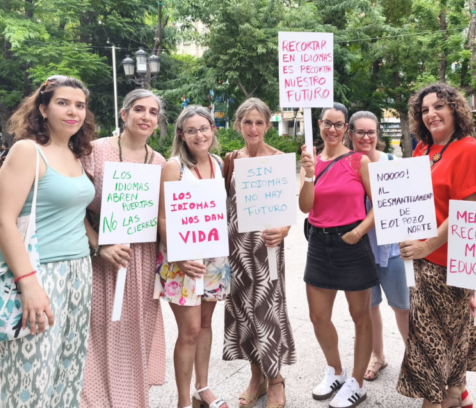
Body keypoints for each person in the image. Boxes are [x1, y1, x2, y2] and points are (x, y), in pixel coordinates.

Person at [0, 75, 96, 407]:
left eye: (79, 105)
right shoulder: (28, 151)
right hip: (39, 271)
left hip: (79, 270)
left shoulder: (74, 153)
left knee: (69, 369)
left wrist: (97, 244)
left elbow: (73, 210)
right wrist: (29, 283)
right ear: (43, 108)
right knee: (31, 374)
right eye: (62, 103)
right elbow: (2, 221)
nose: (73, 111)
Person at [396, 83, 476, 408]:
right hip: (420, 262)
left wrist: (427, 245)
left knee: (438, 341)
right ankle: (455, 394)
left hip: (450, 262)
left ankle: (436, 400)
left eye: (439, 106)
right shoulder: (422, 150)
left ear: (454, 109)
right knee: (434, 337)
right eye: (424, 110)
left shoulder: (468, 148)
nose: (431, 114)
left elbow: (469, 210)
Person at [80, 89, 167, 407]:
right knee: (98, 328)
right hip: (101, 255)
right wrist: (98, 245)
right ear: (124, 114)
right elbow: (73, 205)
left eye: (153, 112)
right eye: (140, 109)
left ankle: (130, 398)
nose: (146, 117)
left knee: (134, 330)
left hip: (140, 258)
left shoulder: (158, 162)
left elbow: (162, 216)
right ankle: (95, 399)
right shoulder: (94, 151)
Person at [299, 102, 376, 408]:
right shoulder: (312, 162)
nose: (332, 129)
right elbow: (306, 207)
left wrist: (359, 232)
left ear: (346, 128)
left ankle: (357, 381)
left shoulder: (359, 161)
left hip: (352, 242)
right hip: (319, 243)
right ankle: (336, 371)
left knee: (361, 317)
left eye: (338, 124)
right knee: (318, 316)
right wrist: (307, 175)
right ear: (319, 125)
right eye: (327, 123)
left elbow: (380, 204)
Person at [222, 98, 295, 408]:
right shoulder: (229, 160)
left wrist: (285, 231)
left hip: (267, 249)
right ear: (239, 125)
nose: (253, 128)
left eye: (259, 122)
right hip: (235, 248)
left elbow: (288, 211)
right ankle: (257, 377)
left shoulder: (279, 159)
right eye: (247, 122)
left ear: (267, 125)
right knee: (242, 311)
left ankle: (276, 379)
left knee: (268, 313)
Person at [157, 105, 230, 408]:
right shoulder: (174, 167)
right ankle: (183, 399)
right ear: (182, 135)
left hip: (214, 260)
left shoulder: (219, 162)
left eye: (204, 128)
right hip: (181, 261)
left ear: (213, 129)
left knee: (205, 324)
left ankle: (204, 387)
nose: (199, 134)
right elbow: (161, 219)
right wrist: (178, 255)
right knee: (188, 331)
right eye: (191, 130)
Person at [346, 111, 410, 382]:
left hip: (394, 251)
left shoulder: (395, 163)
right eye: (360, 132)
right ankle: (378, 355)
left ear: (378, 134)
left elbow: (412, 204)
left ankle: (415, 357)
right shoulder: (346, 165)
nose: (365, 137)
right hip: (361, 252)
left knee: (403, 307)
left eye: (371, 132)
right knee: (370, 307)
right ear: (350, 134)